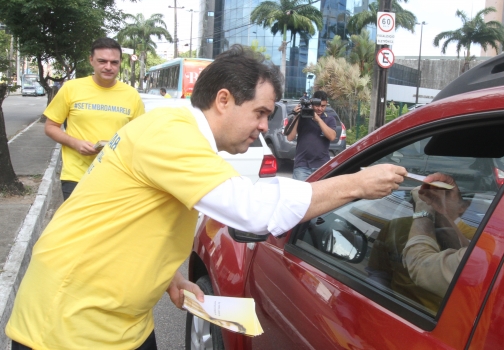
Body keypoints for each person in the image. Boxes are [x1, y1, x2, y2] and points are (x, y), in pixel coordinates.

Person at [6, 45, 407, 350]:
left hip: (121, 319)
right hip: (69, 323)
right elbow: (253, 211)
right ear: (224, 100)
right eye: (260, 113)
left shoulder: (179, 134)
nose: (265, 128)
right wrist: (355, 184)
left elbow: (135, 218)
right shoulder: (170, 133)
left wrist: (170, 276)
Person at [43, 37, 145, 200]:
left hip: (116, 176)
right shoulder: (71, 88)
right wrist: (75, 143)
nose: (108, 67)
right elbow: (50, 127)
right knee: (76, 225)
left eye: (114, 62)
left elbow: (139, 136)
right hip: (76, 176)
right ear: (91, 60)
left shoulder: (131, 95)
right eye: (102, 61)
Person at [402, 172, 472, 298]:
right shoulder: (496, 240)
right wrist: (448, 212)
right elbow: (470, 252)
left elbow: (419, 265)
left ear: (465, 206)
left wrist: (423, 209)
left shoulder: (484, 242)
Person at [286, 90, 337, 181]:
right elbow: (290, 137)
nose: (320, 109)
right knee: (301, 194)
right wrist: (296, 116)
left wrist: (318, 119)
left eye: (323, 106)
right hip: (302, 166)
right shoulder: (303, 117)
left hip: (321, 165)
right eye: (317, 105)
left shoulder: (329, 119)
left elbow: (332, 137)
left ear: (326, 104)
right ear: (312, 103)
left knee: (321, 194)